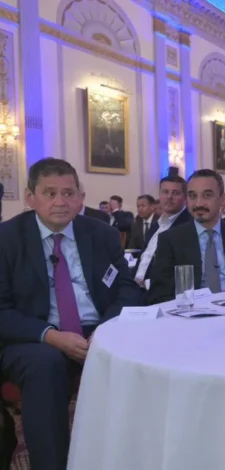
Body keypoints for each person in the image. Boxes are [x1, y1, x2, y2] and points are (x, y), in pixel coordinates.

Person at [0, 158, 143, 470]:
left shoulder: (102, 234)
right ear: (30, 197)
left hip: (98, 328)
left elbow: (128, 289)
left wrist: (104, 330)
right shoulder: (7, 238)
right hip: (34, 336)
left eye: (68, 193)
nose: (60, 202)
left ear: (81, 197)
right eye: (50, 193)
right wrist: (51, 336)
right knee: (45, 365)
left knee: (145, 350)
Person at [148, 170, 225, 304]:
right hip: (193, 311)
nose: (198, 204)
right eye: (192, 196)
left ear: (222, 199)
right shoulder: (170, 240)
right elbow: (159, 295)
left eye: (207, 195)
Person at [134, 176, 192, 287]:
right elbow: (145, 258)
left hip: (158, 290)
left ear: (185, 197)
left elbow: (183, 271)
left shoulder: (188, 226)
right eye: (165, 192)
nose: (169, 197)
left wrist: (146, 284)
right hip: (136, 286)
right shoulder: (156, 224)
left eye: (175, 193)